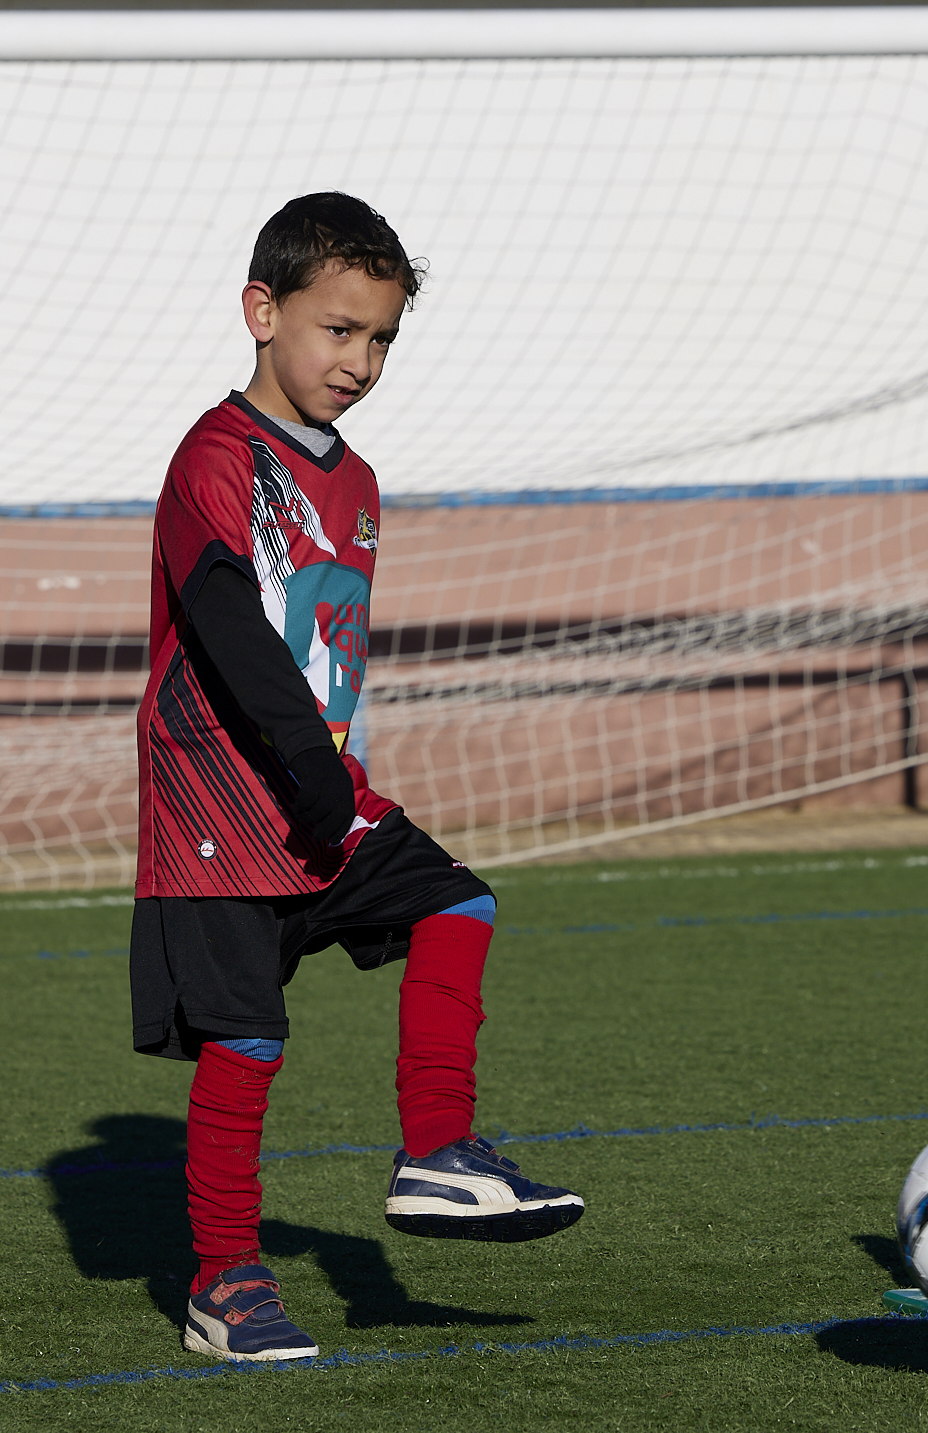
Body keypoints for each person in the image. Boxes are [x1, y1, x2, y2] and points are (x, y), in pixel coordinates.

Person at [131, 192, 585, 1364]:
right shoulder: (216, 457)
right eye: (337, 330)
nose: (360, 360)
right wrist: (303, 758)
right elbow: (225, 619)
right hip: (221, 802)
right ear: (261, 312)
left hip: (322, 791)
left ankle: (436, 1150)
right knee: (247, 1040)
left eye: (380, 337)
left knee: (457, 901)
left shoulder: (360, 481)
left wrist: (327, 770)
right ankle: (224, 1283)